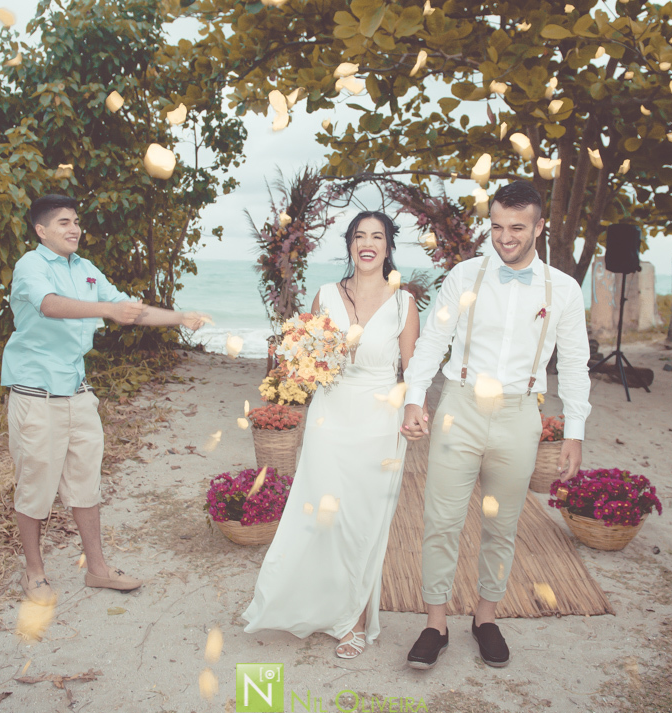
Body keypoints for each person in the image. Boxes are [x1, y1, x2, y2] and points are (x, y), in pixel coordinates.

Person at [399, 182, 591, 670]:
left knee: (502, 525)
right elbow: (433, 339)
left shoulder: (564, 290)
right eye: (498, 226)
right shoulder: (464, 276)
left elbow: (573, 363)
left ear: (539, 227)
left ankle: (486, 619)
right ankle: (435, 623)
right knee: (441, 521)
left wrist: (575, 432)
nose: (504, 237)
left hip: (519, 413)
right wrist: (414, 399)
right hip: (459, 408)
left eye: (517, 228)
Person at [2, 194, 207, 604]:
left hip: (77, 393)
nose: (74, 228)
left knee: (86, 483)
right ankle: (34, 574)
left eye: (76, 221)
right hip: (36, 395)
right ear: (41, 230)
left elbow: (125, 309)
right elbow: (50, 305)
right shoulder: (31, 266)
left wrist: (179, 318)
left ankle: (97, 569)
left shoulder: (86, 269)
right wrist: (107, 311)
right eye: (63, 222)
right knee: (35, 487)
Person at [243, 211, 421, 659]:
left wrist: (416, 408)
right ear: (349, 245)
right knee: (320, 516)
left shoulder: (404, 303)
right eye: (359, 235)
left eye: (377, 236)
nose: (368, 243)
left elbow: (413, 368)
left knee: (363, 522)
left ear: (388, 245)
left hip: (380, 421)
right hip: (330, 416)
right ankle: (314, 604)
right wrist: (303, 366)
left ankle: (353, 622)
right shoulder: (325, 295)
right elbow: (307, 354)